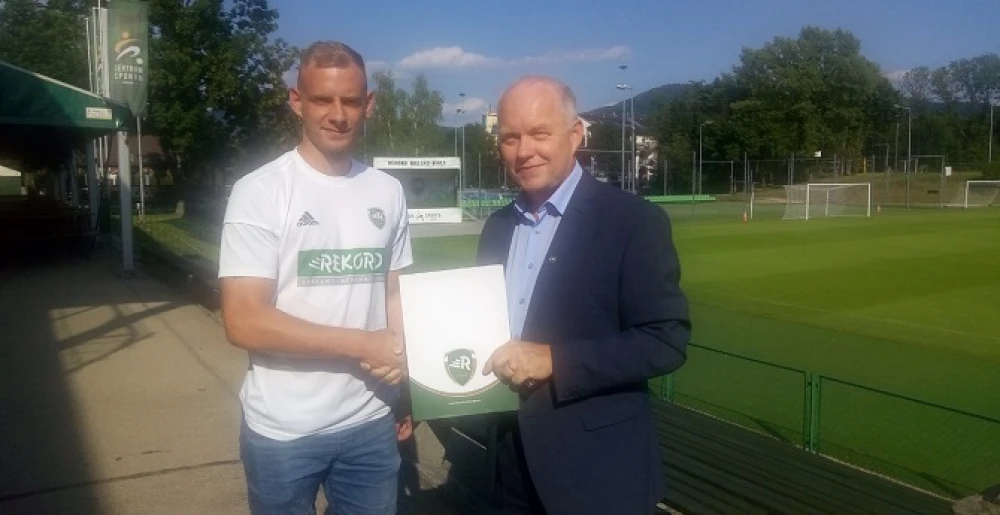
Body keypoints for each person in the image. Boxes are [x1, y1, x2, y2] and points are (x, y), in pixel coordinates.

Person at [478, 76, 691, 515]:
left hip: (598, 471)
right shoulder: (497, 226)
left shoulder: (633, 220)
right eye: (510, 138)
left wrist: (556, 360)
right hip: (510, 463)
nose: (524, 151)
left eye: (540, 133)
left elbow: (665, 339)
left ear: (575, 135)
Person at [218, 40, 412, 515]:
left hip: (371, 420)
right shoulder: (260, 191)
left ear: (369, 104)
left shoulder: (388, 191)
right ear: (297, 101)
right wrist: (362, 344)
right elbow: (243, 321)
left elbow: (394, 292)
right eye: (323, 100)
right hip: (284, 431)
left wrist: (405, 382)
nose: (338, 115)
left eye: (351, 101)